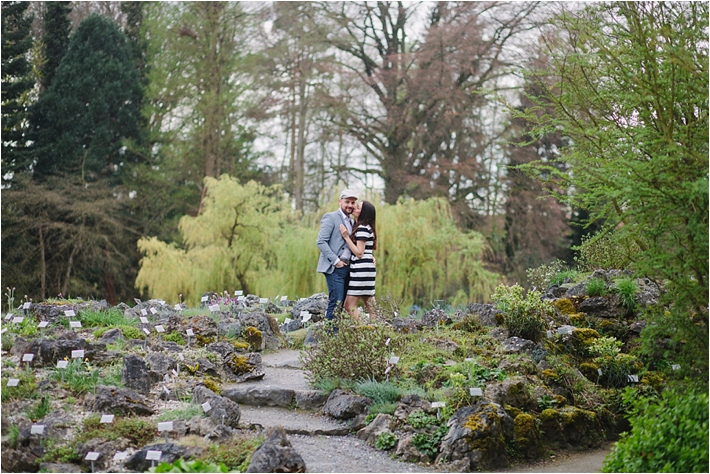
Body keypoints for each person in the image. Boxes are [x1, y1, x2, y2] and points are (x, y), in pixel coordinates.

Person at [316, 189, 358, 321]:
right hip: (335, 267)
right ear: (340, 202)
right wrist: (336, 261)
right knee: (336, 302)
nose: (350, 205)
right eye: (347, 202)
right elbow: (321, 242)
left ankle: (337, 335)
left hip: (348, 267)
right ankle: (329, 336)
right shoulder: (331, 217)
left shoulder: (352, 222)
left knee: (343, 304)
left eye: (353, 202)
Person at [339, 200, 377, 322]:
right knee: (371, 306)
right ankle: (375, 330)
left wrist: (345, 237)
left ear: (364, 213)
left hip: (361, 269)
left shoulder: (362, 228)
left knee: (349, 305)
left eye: (358, 207)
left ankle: (362, 329)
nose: (354, 208)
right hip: (367, 269)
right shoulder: (367, 227)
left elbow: (359, 252)